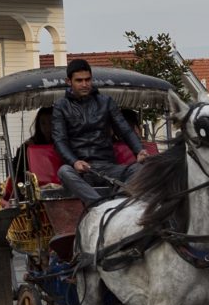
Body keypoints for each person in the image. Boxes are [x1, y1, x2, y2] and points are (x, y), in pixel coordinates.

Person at [51, 59, 145, 206]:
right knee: (64, 171)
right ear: (69, 82)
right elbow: (59, 140)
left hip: (108, 167)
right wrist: (74, 162)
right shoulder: (60, 106)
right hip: (80, 170)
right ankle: (100, 206)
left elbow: (125, 129)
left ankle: (116, 203)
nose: (84, 84)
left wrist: (139, 150)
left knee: (140, 168)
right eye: (79, 80)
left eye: (88, 80)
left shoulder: (106, 101)